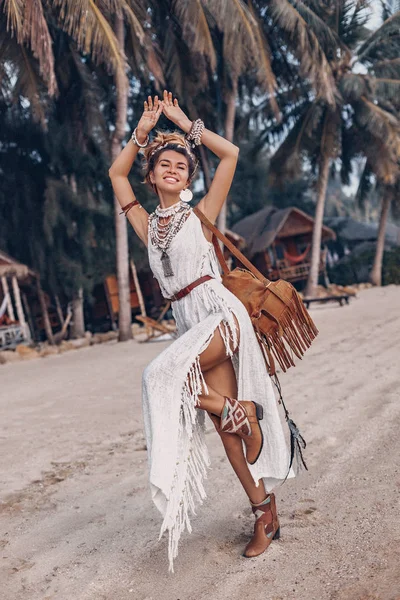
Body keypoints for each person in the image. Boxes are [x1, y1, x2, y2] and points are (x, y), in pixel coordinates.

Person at [109, 90, 294, 572]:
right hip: (190, 324)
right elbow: (115, 174)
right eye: (164, 165)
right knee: (227, 433)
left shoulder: (200, 211)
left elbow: (229, 153)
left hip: (220, 314)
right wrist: (142, 135)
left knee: (160, 377)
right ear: (151, 177)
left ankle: (243, 410)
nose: (174, 169)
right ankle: (264, 513)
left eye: (182, 166)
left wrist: (183, 122)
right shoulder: (147, 226)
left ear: (188, 178)